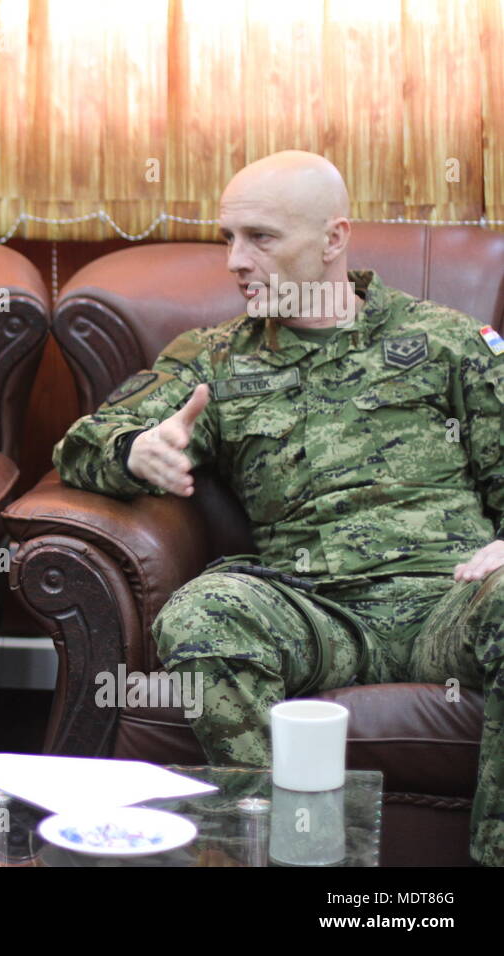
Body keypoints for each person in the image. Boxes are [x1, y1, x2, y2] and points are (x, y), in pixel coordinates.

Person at [54, 149, 503, 866]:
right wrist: (135, 449)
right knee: (202, 615)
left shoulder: (449, 343)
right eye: (228, 237)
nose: (236, 260)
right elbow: (83, 443)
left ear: (333, 238)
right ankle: (294, 856)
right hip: (317, 614)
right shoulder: (215, 360)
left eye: (261, 238)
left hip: (446, 603)